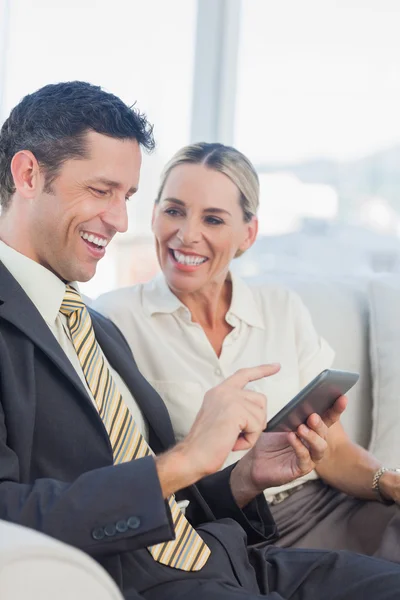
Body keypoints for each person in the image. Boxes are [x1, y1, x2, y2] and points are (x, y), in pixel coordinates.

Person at [0, 83, 399, 600]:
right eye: (101, 191)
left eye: (127, 198)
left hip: (228, 559)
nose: (121, 222)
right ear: (29, 174)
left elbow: (169, 498)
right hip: (144, 582)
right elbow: (12, 516)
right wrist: (185, 457)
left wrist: (246, 476)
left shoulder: (95, 329)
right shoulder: (88, 317)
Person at [95, 141, 400, 564]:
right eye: (174, 210)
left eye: (213, 219)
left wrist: (389, 483)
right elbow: (124, 483)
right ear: (153, 215)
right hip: (224, 529)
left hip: (325, 507)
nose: (187, 234)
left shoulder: (282, 307)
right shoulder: (112, 321)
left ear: (248, 234)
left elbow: (333, 449)